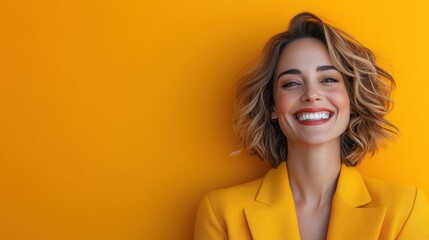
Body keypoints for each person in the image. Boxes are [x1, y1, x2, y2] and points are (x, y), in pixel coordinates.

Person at [194, 12, 429, 240]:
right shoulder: (221, 212)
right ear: (272, 106)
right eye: (291, 83)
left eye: (328, 80)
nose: (311, 94)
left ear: (352, 99)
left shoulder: (405, 208)